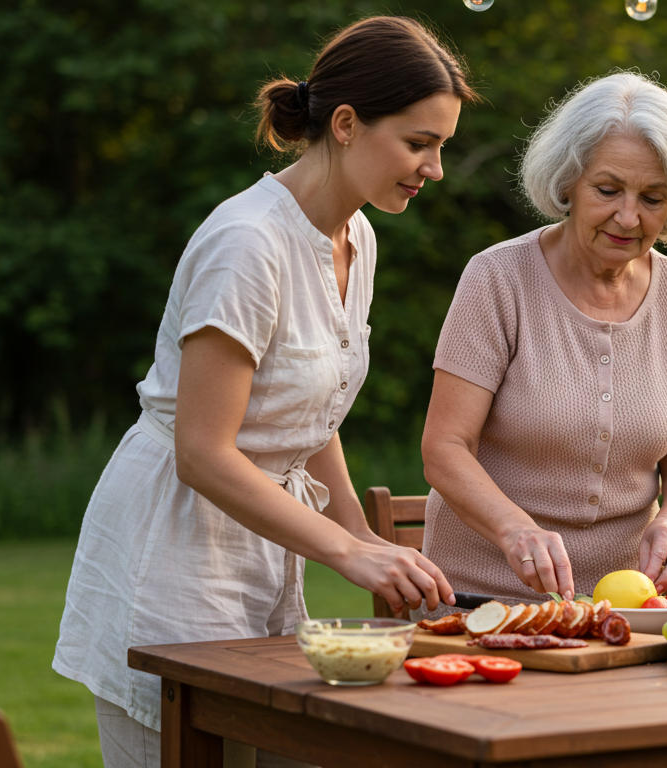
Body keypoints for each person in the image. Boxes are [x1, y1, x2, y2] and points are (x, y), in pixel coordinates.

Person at [53, 17, 476, 768]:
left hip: (263, 548)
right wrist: (349, 552)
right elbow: (203, 455)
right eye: (420, 143)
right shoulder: (247, 243)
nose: (435, 168)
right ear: (346, 125)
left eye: (440, 146)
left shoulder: (359, 236)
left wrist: (367, 536)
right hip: (175, 553)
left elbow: (309, 415)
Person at [420, 72, 667, 612]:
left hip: (623, 610)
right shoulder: (498, 278)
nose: (628, 217)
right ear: (568, 182)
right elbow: (444, 450)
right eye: (608, 190)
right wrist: (516, 531)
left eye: (652, 198)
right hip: (482, 603)